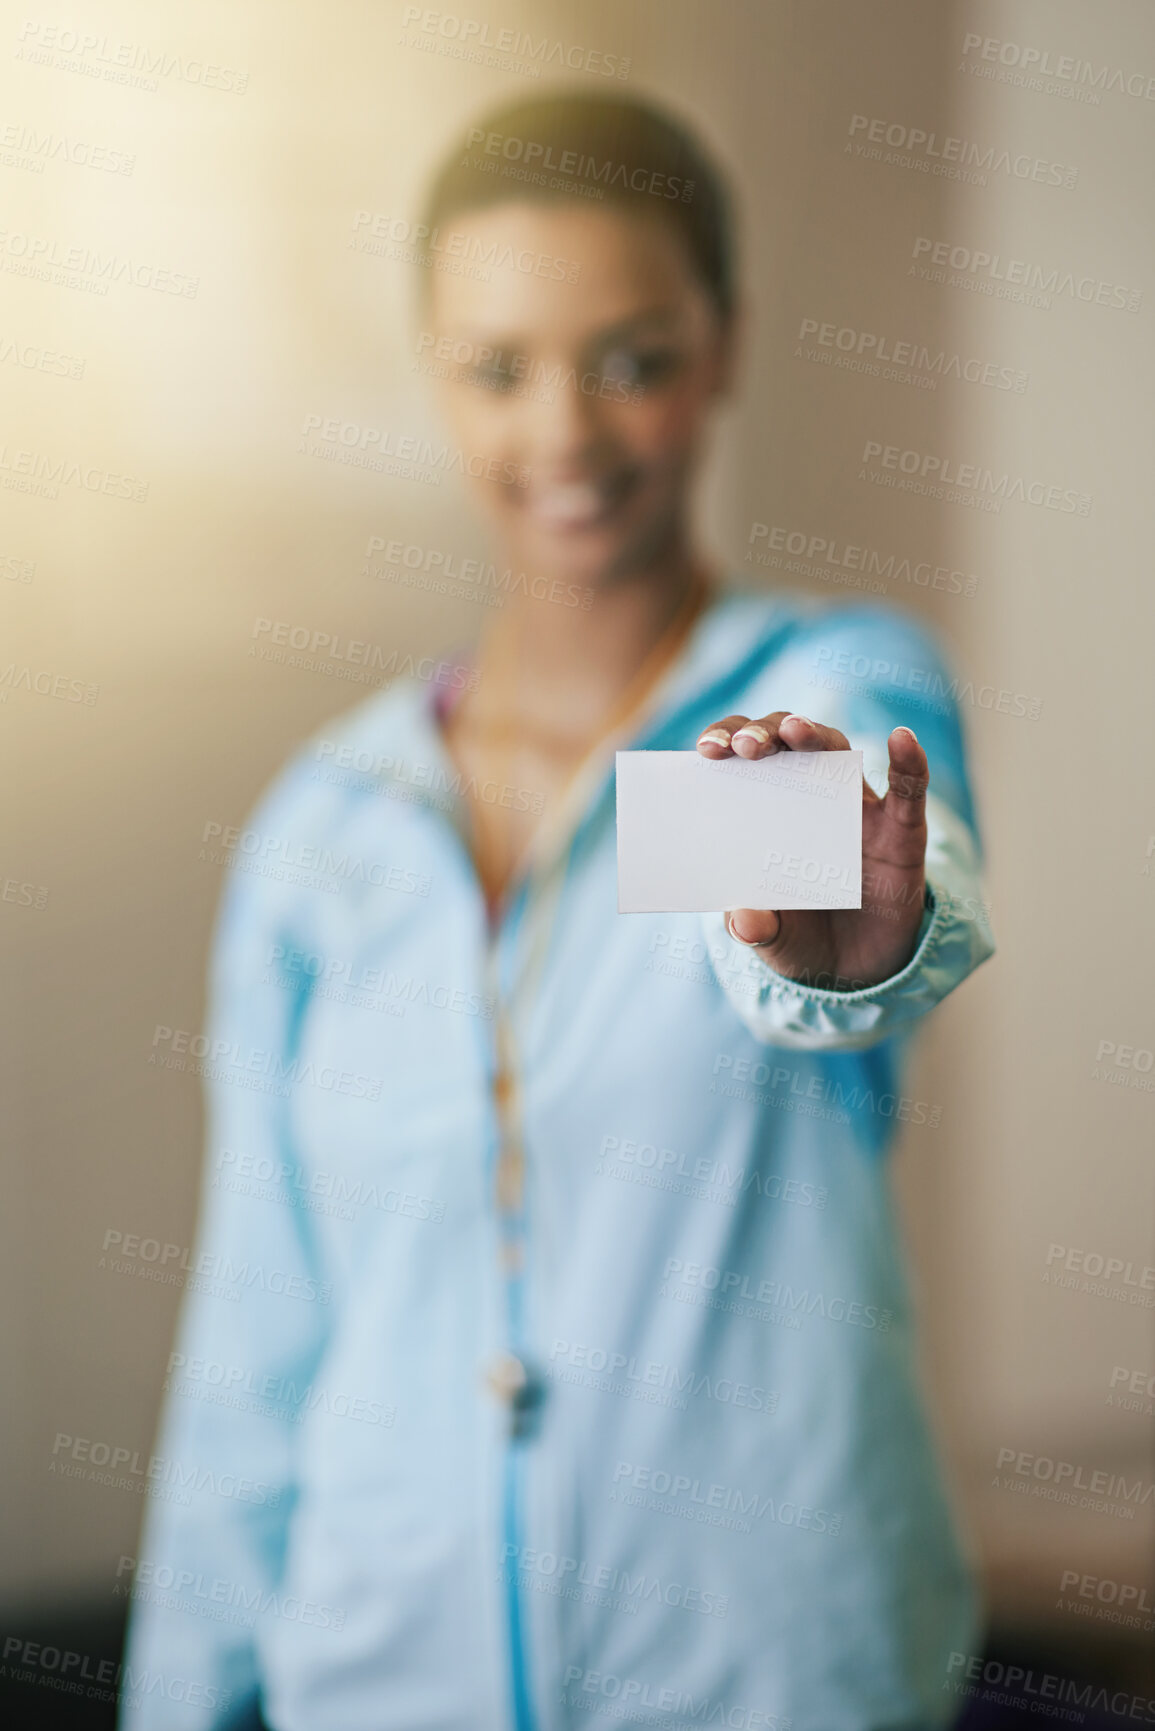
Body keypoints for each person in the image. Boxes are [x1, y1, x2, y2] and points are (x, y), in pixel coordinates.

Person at [121, 90, 995, 1731]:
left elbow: (851, 937)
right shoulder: (333, 831)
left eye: (632, 357)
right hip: (372, 1685)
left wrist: (842, 953)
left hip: (767, 1686)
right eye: (497, 369)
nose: (566, 439)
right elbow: (258, 1343)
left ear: (725, 348)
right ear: (434, 375)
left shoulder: (805, 695)